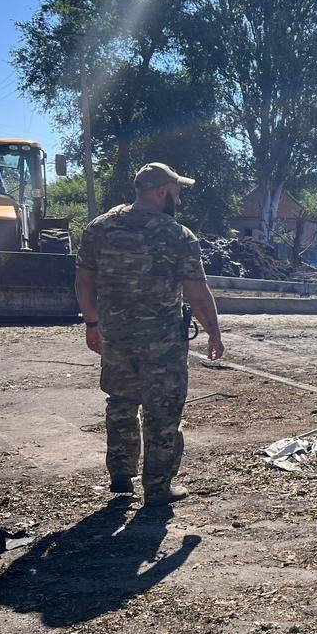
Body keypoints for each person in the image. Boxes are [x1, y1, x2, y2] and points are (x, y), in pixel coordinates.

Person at [74, 163, 224, 507]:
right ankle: (157, 487)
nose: (180, 198)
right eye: (177, 191)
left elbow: (84, 282)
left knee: (121, 403)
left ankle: (121, 477)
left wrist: (92, 324)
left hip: (115, 336)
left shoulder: (100, 228)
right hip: (163, 343)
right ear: (161, 192)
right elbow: (197, 294)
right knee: (162, 410)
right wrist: (215, 335)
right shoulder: (177, 236)